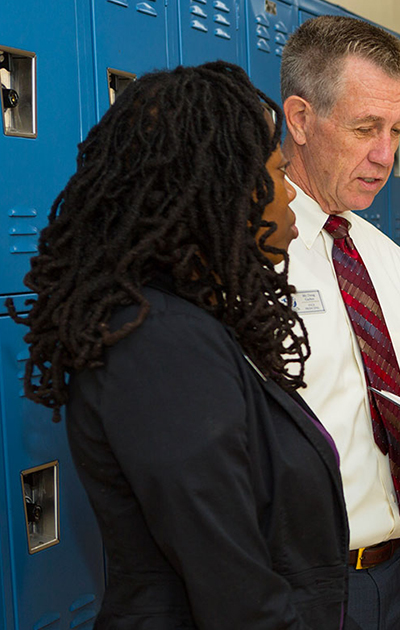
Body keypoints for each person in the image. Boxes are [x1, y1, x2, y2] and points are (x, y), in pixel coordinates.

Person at [16, 61, 346, 627]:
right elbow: (233, 589)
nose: (292, 195)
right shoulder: (159, 345)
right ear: (224, 187)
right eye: (277, 170)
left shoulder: (196, 321)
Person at [279, 15, 400, 630]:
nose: (386, 155)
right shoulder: (243, 256)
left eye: (398, 129)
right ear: (299, 119)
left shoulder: (386, 257)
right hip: (304, 591)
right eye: (364, 128)